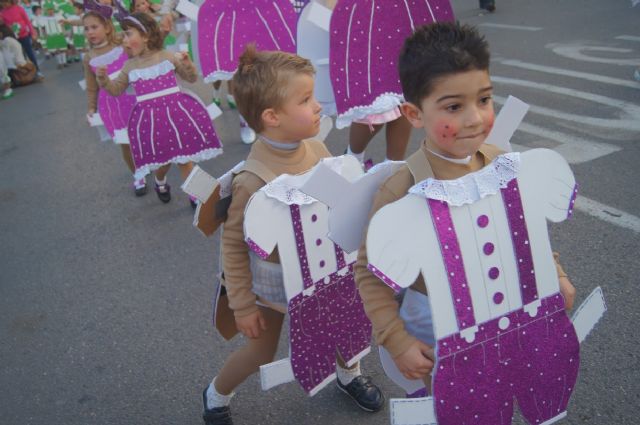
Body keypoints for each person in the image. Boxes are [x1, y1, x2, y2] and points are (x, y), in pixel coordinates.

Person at [355, 21, 576, 395]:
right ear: (414, 114)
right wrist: (397, 339)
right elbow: (369, 271)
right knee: (456, 404)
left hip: (507, 309)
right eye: (454, 106)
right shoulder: (401, 189)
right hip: (435, 326)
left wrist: (556, 273)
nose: (475, 118)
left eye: (484, 99)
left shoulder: (501, 163)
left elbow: (527, 230)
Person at [201, 45, 384, 425]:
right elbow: (233, 248)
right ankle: (217, 393)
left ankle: (348, 374)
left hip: (325, 269)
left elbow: (339, 204)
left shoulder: (316, 148)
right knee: (260, 352)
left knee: (343, 325)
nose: (318, 106)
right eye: (306, 99)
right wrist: (243, 306)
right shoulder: (251, 180)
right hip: (272, 286)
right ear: (272, 117)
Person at [97, 12, 222, 207]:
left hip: (176, 115)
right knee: (163, 162)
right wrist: (103, 79)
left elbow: (190, 78)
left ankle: (199, 197)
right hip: (151, 121)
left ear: (145, 36)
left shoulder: (168, 56)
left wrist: (188, 64)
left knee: (184, 157)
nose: (125, 40)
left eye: (129, 34)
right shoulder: (129, 66)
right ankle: (160, 181)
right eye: (124, 35)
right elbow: (115, 90)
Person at [82, 8, 144, 195]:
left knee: (141, 136)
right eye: (86, 29)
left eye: (94, 27)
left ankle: (150, 163)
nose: (90, 32)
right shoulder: (88, 57)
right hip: (110, 106)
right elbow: (92, 86)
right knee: (125, 143)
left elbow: (141, 63)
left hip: (133, 98)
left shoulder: (123, 47)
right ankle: (138, 175)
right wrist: (91, 107)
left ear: (107, 27)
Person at [0, 0, 41, 77]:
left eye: (5, 2)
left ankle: (37, 71)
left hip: (24, 34)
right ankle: (26, 74)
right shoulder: (2, 12)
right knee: (20, 56)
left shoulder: (19, 8)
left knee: (30, 53)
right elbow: (3, 25)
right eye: (2, 2)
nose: (4, 4)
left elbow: (27, 21)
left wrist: (32, 33)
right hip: (12, 37)